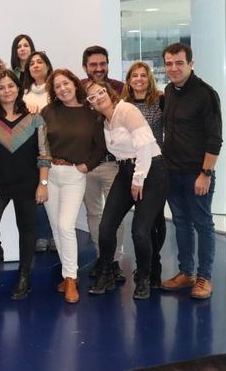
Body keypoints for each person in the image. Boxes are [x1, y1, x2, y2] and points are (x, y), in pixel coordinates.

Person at [85, 81, 168, 300]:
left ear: (109, 92)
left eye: (101, 92)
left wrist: (138, 179)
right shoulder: (105, 122)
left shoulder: (126, 110)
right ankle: (105, 273)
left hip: (151, 170)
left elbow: (143, 147)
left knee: (140, 231)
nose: (98, 97)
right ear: (91, 104)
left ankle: (143, 278)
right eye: (92, 97)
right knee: (106, 227)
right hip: (125, 170)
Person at [0, 70, 50, 300]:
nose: (6, 91)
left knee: (27, 230)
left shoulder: (34, 118)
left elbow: (44, 154)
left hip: (28, 183)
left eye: (11, 86)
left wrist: (43, 184)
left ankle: (24, 276)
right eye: (1, 87)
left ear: (18, 88)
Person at [159, 43, 222, 300]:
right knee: (181, 223)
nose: (173, 68)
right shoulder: (168, 91)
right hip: (172, 171)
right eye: (169, 63)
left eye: (179, 63)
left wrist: (206, 173)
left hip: (197, 174)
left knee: (203, 224)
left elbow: (214, 138)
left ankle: (204, 278)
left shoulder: (206, 94)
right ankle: (187, 273)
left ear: (191, 64)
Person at [40, 69, 106, 304]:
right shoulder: (48, 112)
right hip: (50, 172)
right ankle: (69, 274)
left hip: (74, 175)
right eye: (57, 86)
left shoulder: (91, 113)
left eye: (65, 83)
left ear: (75, 84)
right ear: (53, 92)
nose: (62, 89)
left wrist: (88, 165)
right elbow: (41, 143)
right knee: (57, 228)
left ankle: (70, 278)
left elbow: (101, 145)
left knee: (66, 225)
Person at [81, 46, 126, 281]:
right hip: (86, 166)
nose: (98, 69)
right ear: (85, 67)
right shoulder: (78, 90)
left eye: (102, 64)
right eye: (93, 65)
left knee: (115, 215)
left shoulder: (120, 88)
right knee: (94, 214)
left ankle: (115, 260)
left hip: (113, 164)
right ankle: (103, 258)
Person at [120, 61, 166, 287]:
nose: (138, 79)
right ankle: (144, 267)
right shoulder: (123, 105)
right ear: (128, 80)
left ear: (149, 79)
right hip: (133, 169)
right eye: (134, 76)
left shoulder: (161, 101)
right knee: (141, 223)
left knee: (156, 221)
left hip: (157, 168)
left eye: (143, 75)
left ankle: (154, 266)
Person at [21, 51, 56, 253]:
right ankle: (42, 234)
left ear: (47, 66)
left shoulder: (55, 90)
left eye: (39, 62)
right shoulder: (24, 93)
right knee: (39, 192)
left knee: (53, 192)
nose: (35, 65)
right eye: (32, 63)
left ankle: (53, 235)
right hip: (35, 150)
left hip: (57, 146)